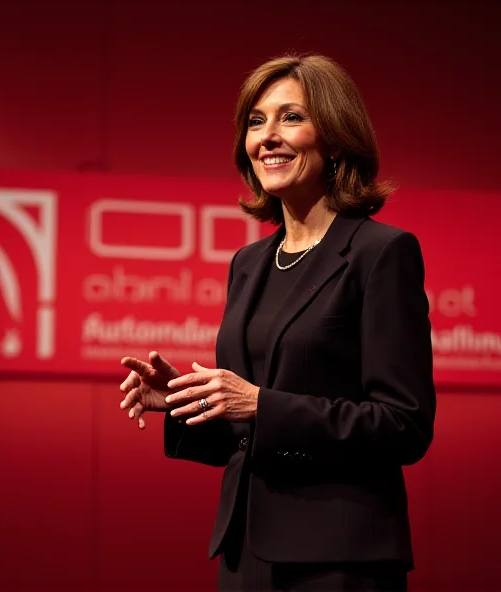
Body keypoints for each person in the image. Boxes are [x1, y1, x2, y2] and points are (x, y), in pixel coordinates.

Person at [119, 53, 436, 592]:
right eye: (256, 121)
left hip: (339, 561)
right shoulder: (250, 263)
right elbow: (244, 436)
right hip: (246, 554)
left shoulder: (382, 253)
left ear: (335, 137)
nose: (268, 136)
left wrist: (262, 403)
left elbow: (403, 425)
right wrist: (182, 399)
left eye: (291, 117)